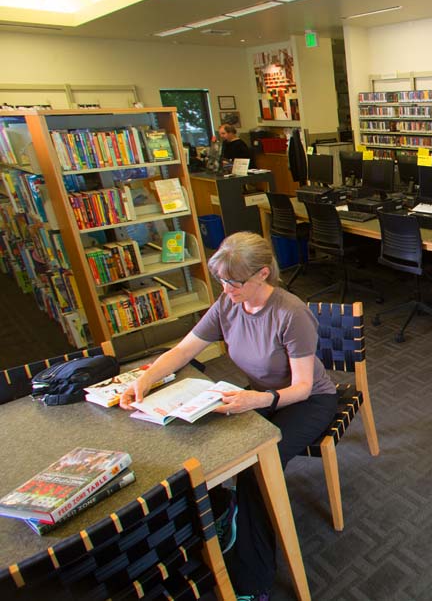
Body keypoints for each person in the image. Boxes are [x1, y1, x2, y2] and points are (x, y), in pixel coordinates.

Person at [120, 232, 337, 599]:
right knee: (204, 447)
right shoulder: (228, 302)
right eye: (221, 280)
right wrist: (145, 380)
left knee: (255, 471)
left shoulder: (291, 313)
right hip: (258, 397)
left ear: (262, 274)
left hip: (307, 402)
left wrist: (256, 400)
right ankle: (223, 513)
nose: (225, 288)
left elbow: (301, 387)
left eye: (233, 282)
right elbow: (186, 348)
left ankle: (253, 581)